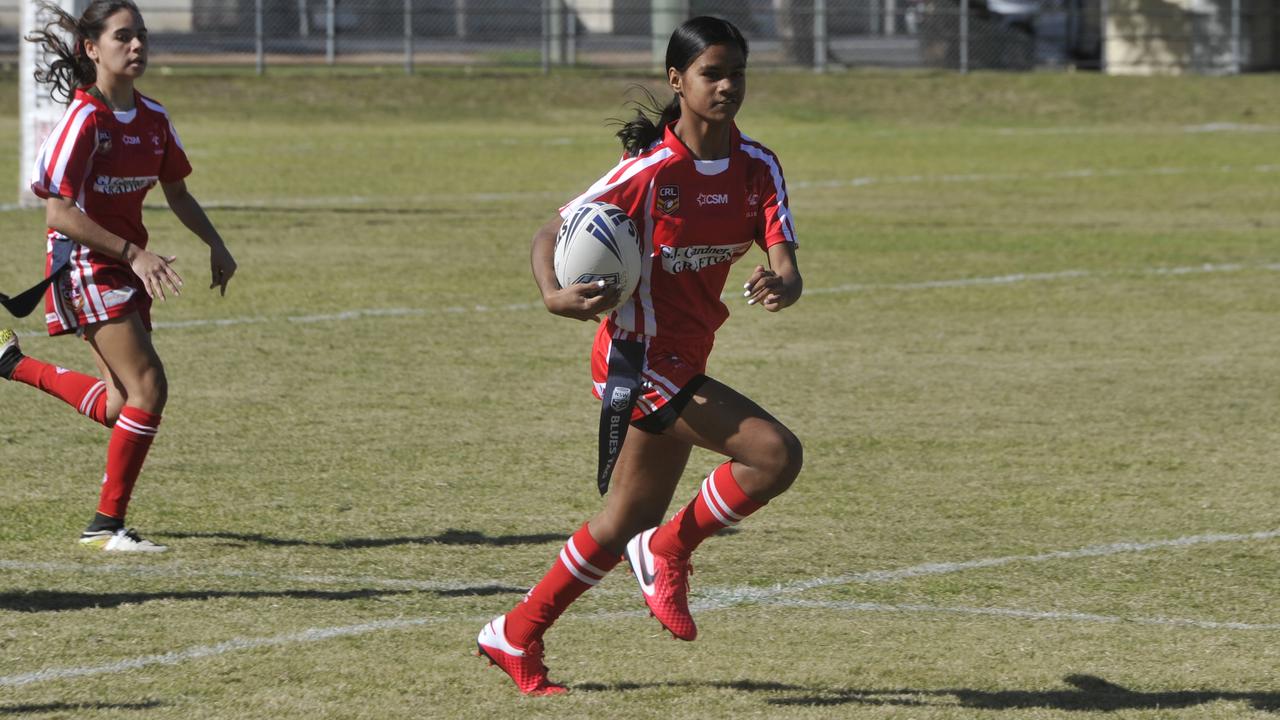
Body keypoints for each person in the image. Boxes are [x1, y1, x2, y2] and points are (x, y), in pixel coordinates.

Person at [476, 16, 803, 695]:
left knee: (622, 518)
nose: (727, 86)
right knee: (773, 455)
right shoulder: (650, 172)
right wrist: (551, 294)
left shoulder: (757, 167)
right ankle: (669, 549)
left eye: (736, 73)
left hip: (686, 357)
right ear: (677, 81)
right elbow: (552, 228)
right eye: (712, 73)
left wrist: (782, 281)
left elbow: (786, 262)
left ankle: (515, 632)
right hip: (636, 358)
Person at [0, 0, 237, 552]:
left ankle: (11, 363)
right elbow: (58, 213)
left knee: (118, 403)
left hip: (121, 263)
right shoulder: (85, 119)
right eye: (123, 37)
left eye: (142, 37)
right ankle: (107, 525)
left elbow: (177, 191)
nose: (137, 47)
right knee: (149, 386)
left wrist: (215, 242)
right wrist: (134, 253)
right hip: (82, 264)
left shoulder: (153, 118)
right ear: (92, 48)